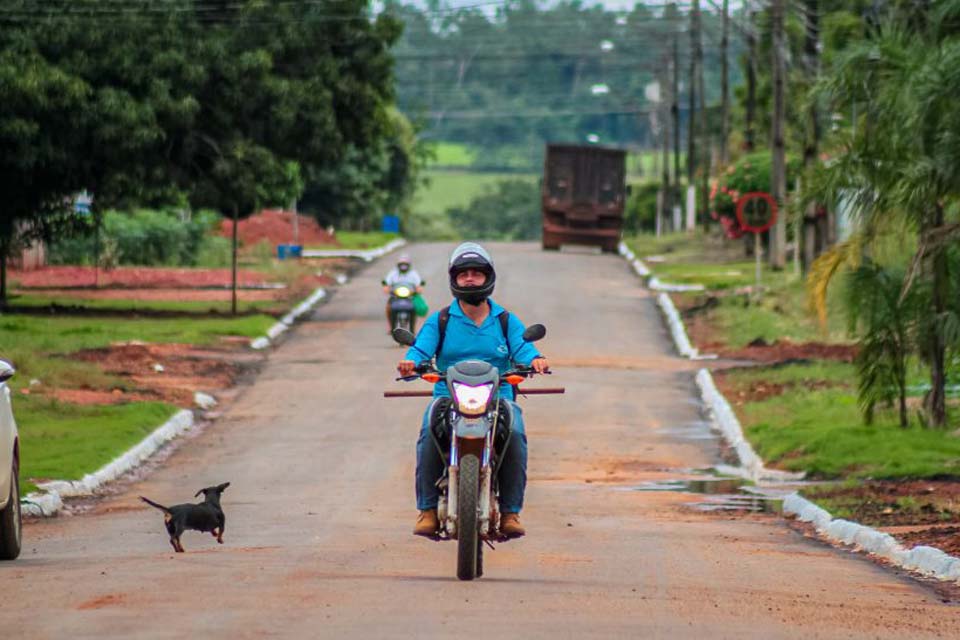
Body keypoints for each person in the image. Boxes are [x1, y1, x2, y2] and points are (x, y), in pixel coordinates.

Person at [397, 242, 549, 538]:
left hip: (498, 397)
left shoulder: (505, 320)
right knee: (428, 430)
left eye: (476, 273)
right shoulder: (440, 320)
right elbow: (419, 350)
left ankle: (511, 513)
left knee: (516, 432)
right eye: (463, 274)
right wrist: (410, 364)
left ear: (488, 277)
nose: (469, 279)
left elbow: (524, 348)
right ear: (454, 279)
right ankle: (427, 510)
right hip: (448, 396)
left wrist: (536, 360)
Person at [383, 254, 423, 332]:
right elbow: (386, 283)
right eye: (402, 264)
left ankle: (413, 328)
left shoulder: (413, 274)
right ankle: (390, 325)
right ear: (398, 265)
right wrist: (386, 288)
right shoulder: (393, 273)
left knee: (415, 308)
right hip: (395, 296)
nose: (403, 266)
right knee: (388, 308)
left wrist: (418, 289)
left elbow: (419, 284)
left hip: (410, 296)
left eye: (405, 264)